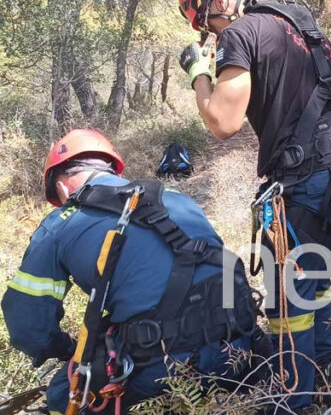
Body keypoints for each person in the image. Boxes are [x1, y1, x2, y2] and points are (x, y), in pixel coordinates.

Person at [177, 0, 331, 410]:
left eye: (206, 20)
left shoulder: (240, 34)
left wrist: (198, 74)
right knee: (314, 281)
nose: (211, 34)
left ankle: (293, 399)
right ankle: (325, 383)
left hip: (306, 183)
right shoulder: (298, 23)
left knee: (287, 306)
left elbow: (223, 121)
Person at [2, 129, 259, 413]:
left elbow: (28, 326)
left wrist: (66, 350)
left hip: (162, 370)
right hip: (239, 349)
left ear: (62, 188)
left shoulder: (60, 224)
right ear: (113, 169)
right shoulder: (176, 198)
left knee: (64, 395)